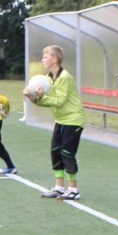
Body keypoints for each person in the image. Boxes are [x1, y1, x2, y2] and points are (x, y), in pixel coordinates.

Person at [26, 45, 86, 200]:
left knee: (67, 152)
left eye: (45, 57)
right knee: (55, 151)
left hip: (73, 119)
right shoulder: (47, 79)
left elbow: (59, 101)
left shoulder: (64, 77)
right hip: (61, 120)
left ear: (54, 59)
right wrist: (33, 97)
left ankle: (73, 189)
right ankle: (59, 187)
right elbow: (46, 102)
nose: (42, 60)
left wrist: (41, 96)